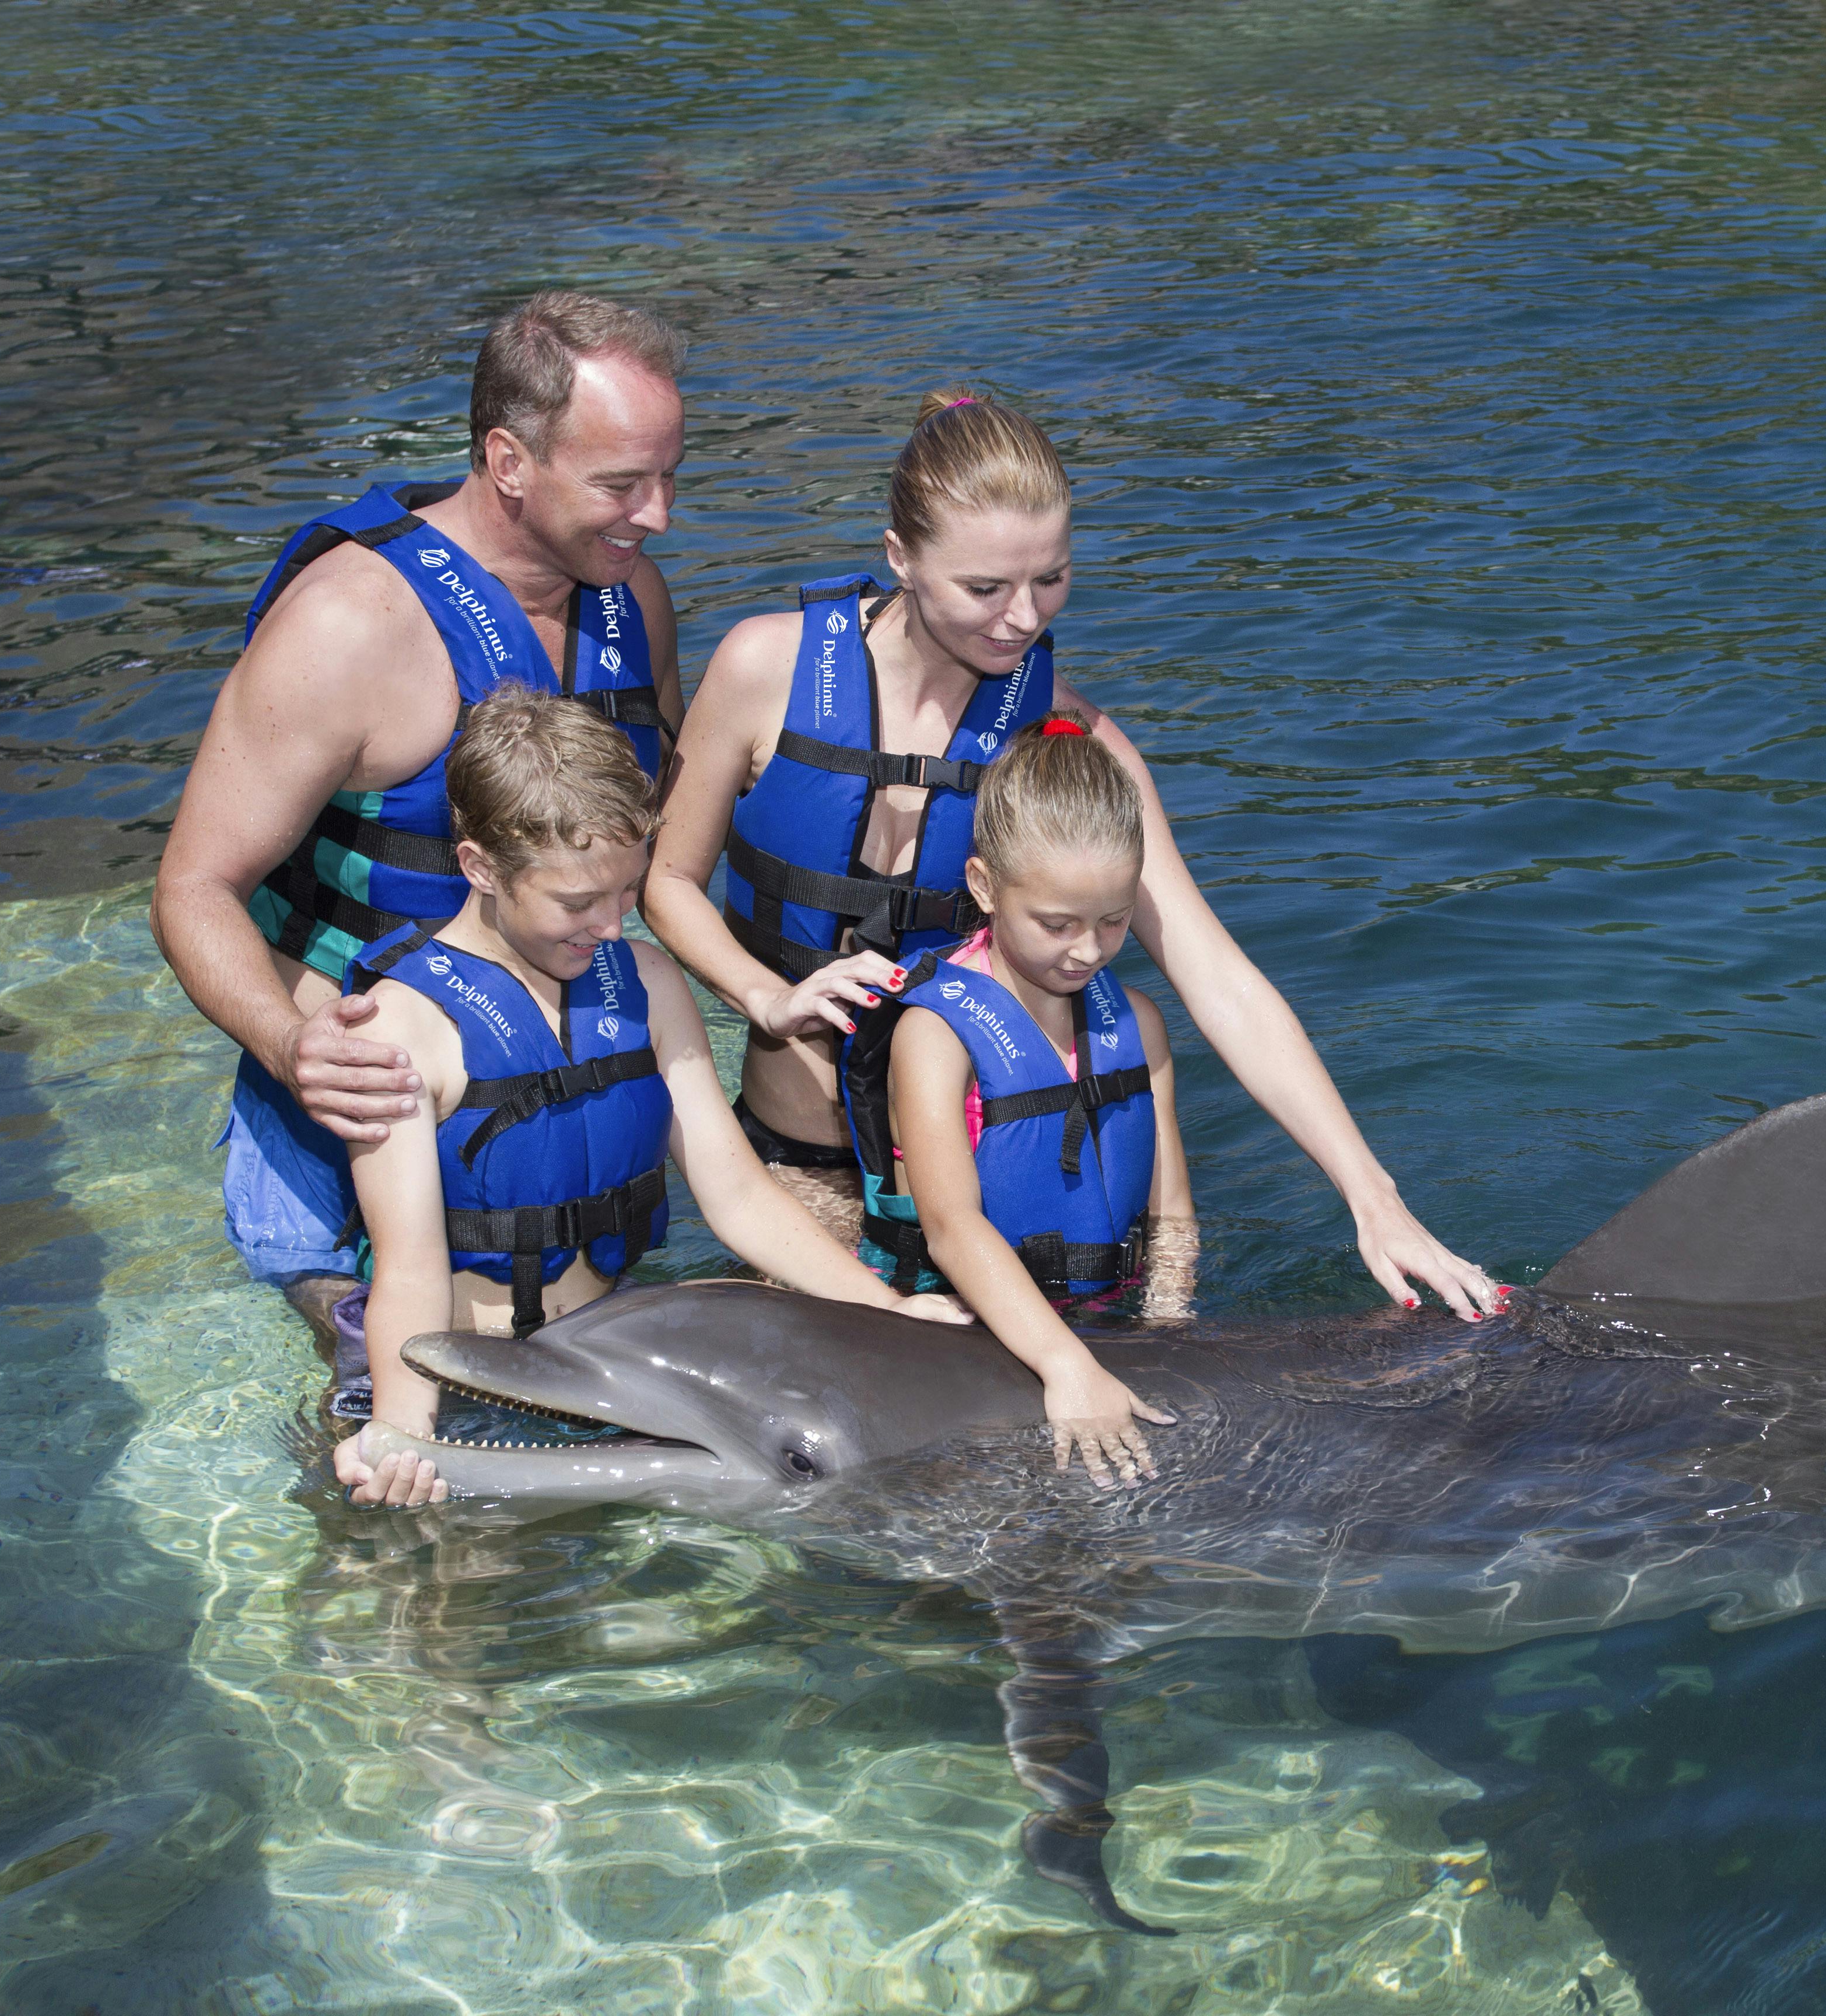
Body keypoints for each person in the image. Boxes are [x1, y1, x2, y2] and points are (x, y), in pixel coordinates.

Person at [643, 390, 1506, 1322]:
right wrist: (765, 997)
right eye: (985, 588)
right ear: (900, 557)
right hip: (803, 1157)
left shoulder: (1065, 740)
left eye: (1050, 580)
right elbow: (667, 881)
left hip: (985, 1176)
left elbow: (1219, 977)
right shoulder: (763, 669)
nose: (1022, 620)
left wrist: (1373, 1199)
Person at [153, 292, 687, 1338]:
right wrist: (289, 1042)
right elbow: (190, 887)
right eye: (622, 484)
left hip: (558, 1106)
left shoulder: (631, 598)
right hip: (366, 1113)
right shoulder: (350, 629)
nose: (659, 514)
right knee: (383, 1452)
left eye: (670, 476)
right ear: (508, 460)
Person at [332, 684, 966, 1508]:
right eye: (576, 902)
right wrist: (408, 1439)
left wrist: (886, 1312)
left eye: (625, 893)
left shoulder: (647, 982)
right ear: (480, 867)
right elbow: (410, 1271)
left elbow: (736, 1192)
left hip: (598, 1373)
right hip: (454, 1371)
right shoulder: (396, 1030)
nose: (609, 926)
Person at [838, 716, 1195, 1485]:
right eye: (1057, 924)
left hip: (1110, 1318)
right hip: (961, 1337)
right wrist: (1066, 1366)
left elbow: (1171, 1210)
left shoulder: (1137, 1023)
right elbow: (951, 1228)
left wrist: (1172, 1329)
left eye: (1114, 920)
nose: (1088, 951)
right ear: (984, 886)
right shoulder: (936, 1038)